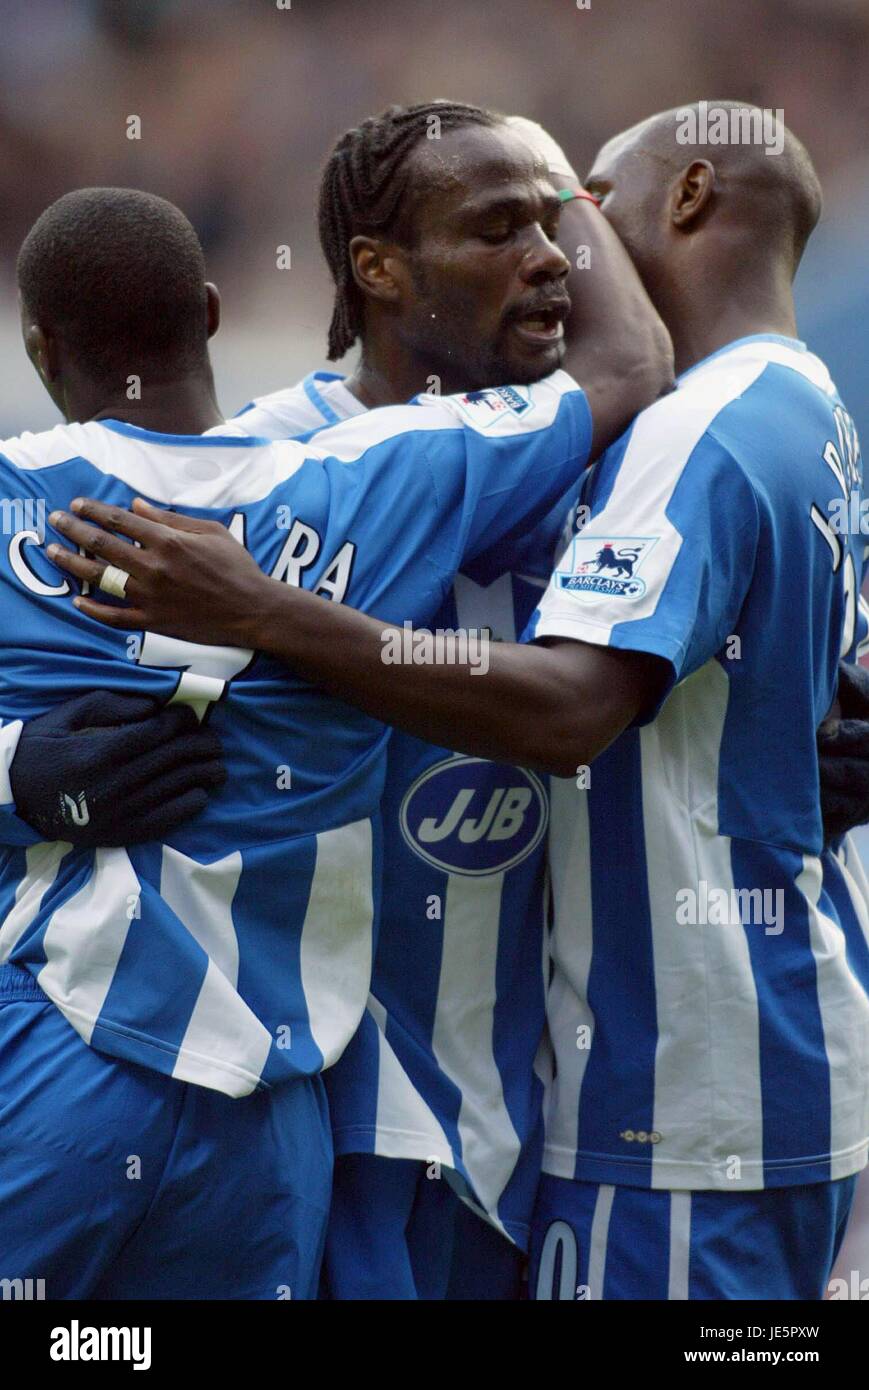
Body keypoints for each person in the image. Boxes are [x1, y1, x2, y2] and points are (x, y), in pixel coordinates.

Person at [60, 106, 869, 1299]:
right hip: (319, 1125)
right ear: (378, 270)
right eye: (504, 230)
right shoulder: (262, 477)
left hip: (533, 1141)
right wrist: (37, 782)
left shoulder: (617, 460)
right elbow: (60, 704)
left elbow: (787, 657)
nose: (556, 259)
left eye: (565, 223)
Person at [0, 173, 667, 1298]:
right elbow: (629, 366)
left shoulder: (19, 500)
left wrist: (20, 769)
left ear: (36, 345)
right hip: (273, 1108)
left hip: (64, 1053)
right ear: (211, 312)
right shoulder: (377, 480)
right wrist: (562, 188)